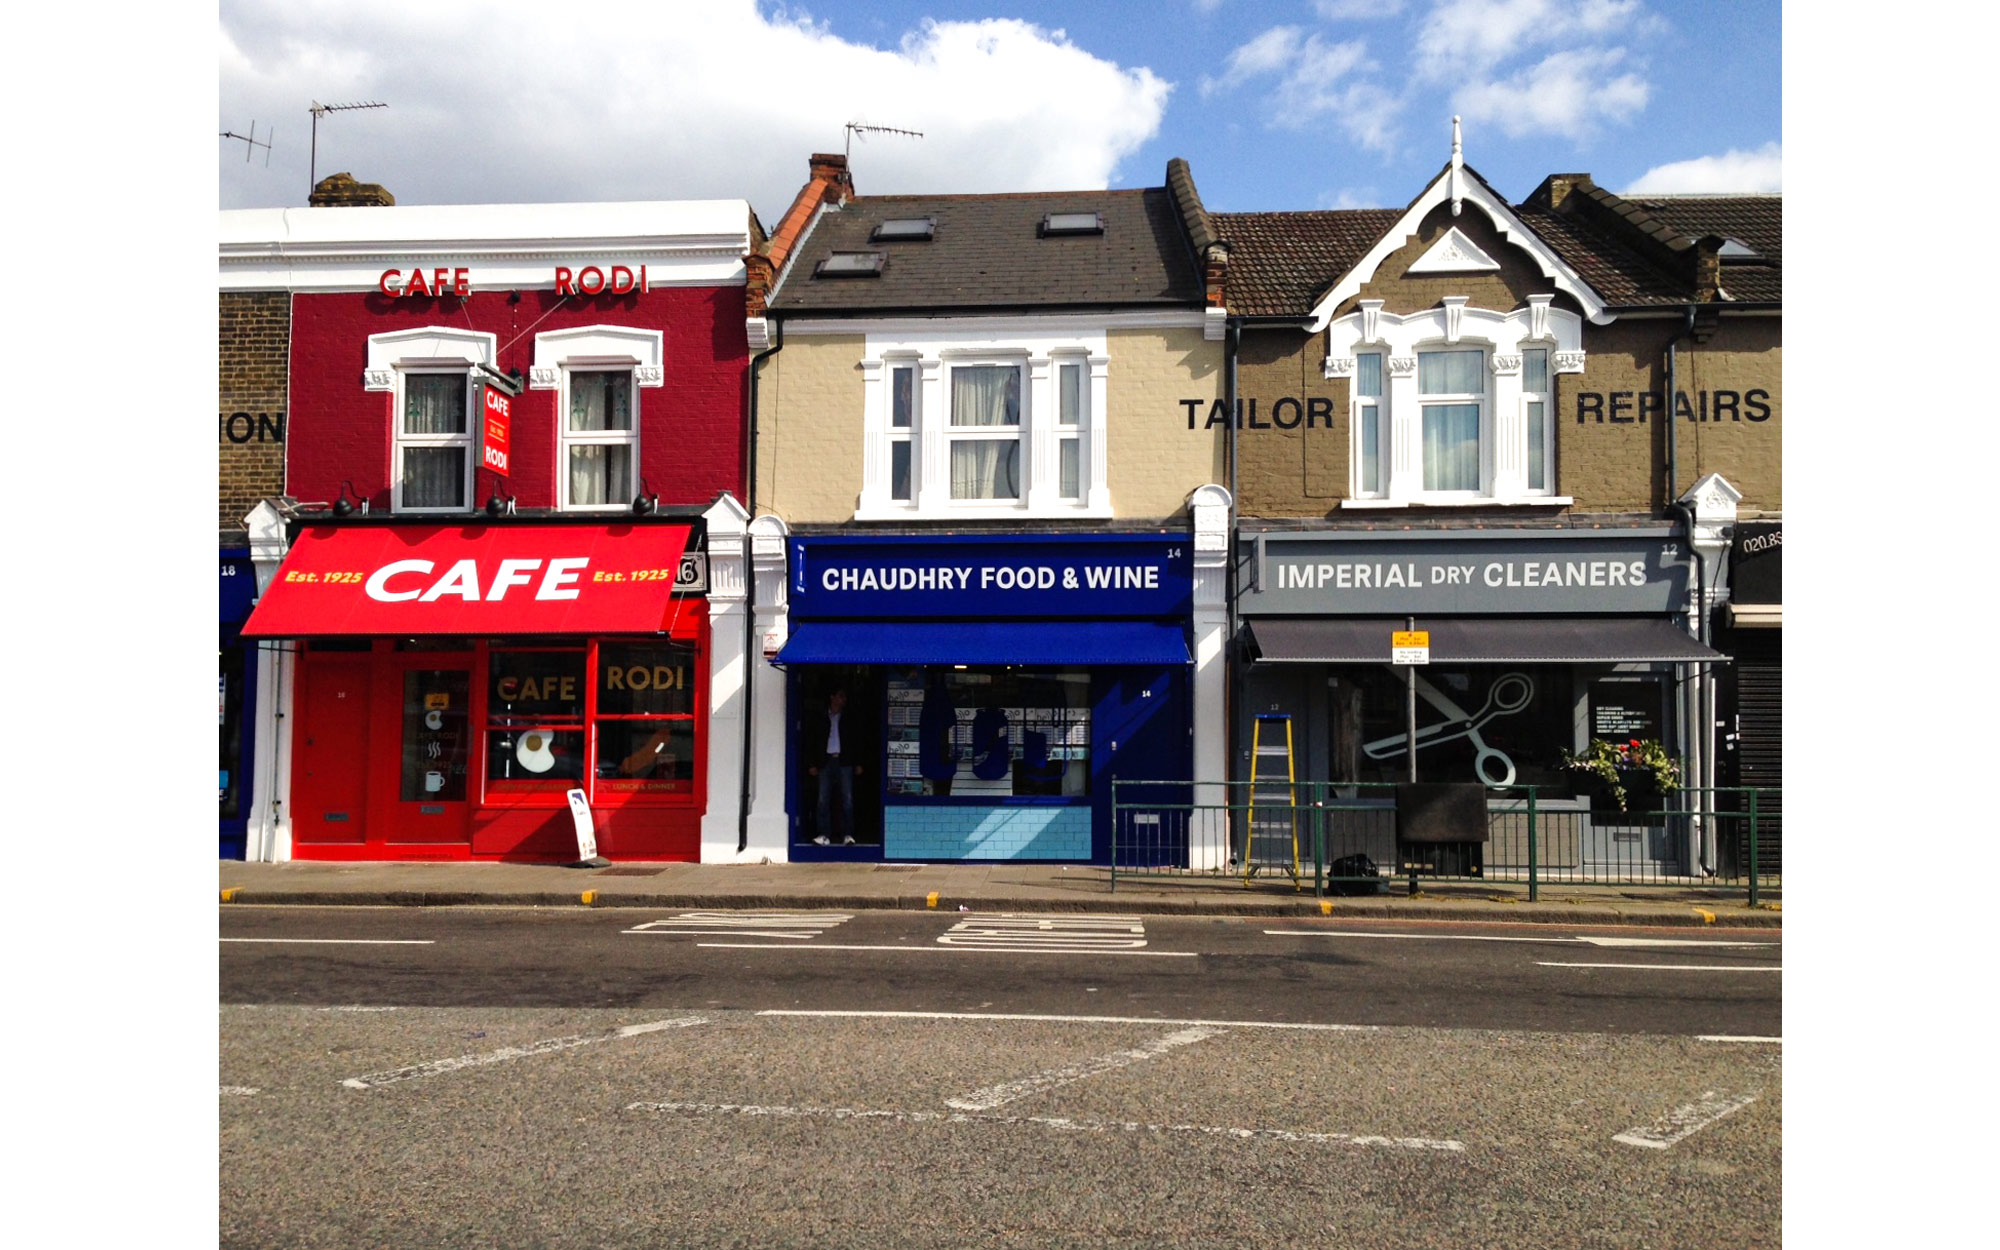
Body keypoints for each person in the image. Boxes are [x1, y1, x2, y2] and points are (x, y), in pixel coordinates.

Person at [804, 687, 868, 845]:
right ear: (832, 697)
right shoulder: (821, 717)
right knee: (823, 799)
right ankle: (824, 834)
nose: (843, 700)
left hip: (844, 761)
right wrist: (812, 763)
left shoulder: (849, 718)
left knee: (847, 799)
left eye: (844, 697)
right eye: (840, 696)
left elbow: (856, 740)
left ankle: (848, 834)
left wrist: (858, 762)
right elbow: (812, 740)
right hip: (825, 761)